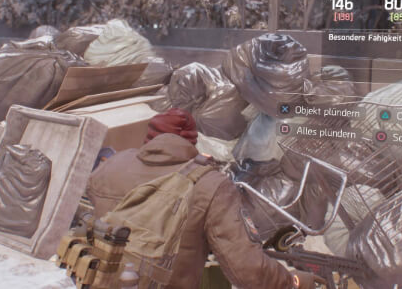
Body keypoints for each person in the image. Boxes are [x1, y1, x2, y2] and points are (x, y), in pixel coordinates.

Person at [87, 108, 322, 289]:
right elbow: (247, 269)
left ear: (150, 137)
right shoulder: (209, 185)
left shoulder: (111, 166)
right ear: (192, 142)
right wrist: (293, 281)